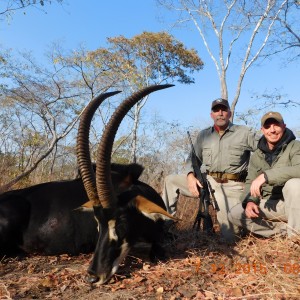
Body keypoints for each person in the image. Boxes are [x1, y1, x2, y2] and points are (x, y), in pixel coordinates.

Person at [162, 98, 258, 243]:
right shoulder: (204, 135)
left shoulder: (244, 133)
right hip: (207, 181)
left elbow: (265, 151)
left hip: (232, 186)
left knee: (232, 238)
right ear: (211, 114)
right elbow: (192, 159)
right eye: (216, 110)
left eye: (223, 109)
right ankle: (164, 228)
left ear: (229, 113)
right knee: (171, 180)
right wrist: (190, 176)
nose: (220, 113)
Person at [228, 112, 300, 238]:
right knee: (235, 213)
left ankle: (295, 238)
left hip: (293, 204)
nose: (272, 130)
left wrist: (267, 176)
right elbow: (251, 181)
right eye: (267, 127)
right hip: (272, 205)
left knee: (294, 184)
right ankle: (283, 231)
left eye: (276, 125)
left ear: (284, 126)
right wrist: (250, 201)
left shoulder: (295, 146)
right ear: (262, 130)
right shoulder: (257, 155)